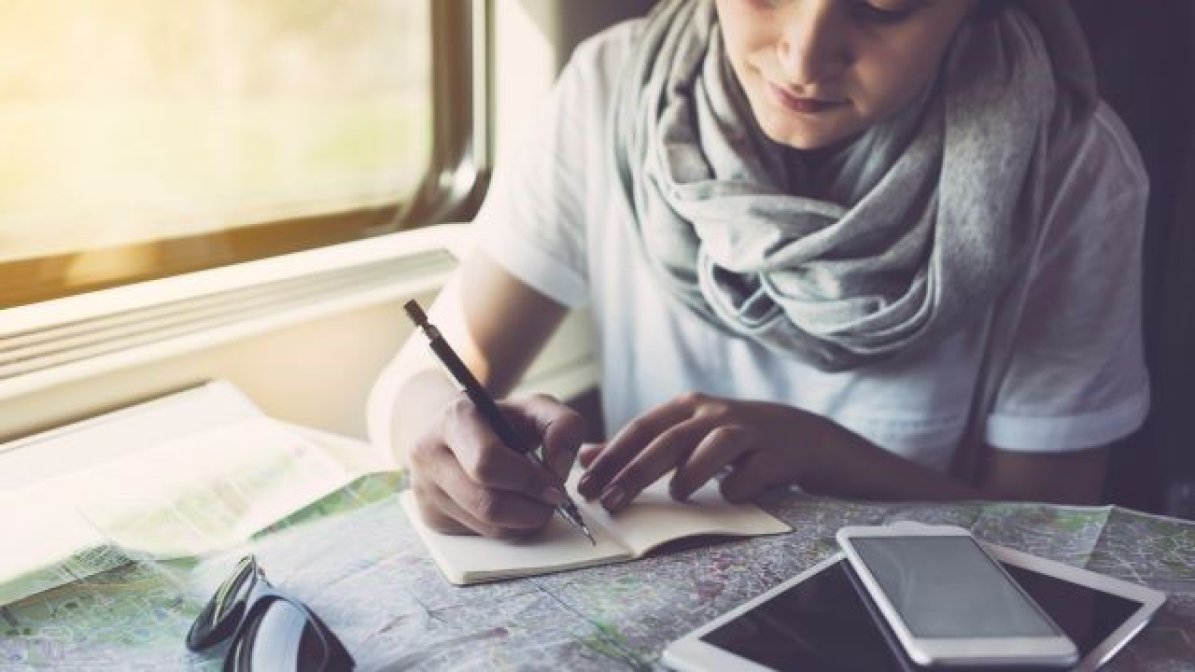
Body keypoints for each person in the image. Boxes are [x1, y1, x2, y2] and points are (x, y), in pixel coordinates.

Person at [368, 0, 1149, 539]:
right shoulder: (609, 91)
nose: (803, 56)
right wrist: (440, 437)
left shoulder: (1068, 170)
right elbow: (419, 378)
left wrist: (826, 457)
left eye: (882, 7)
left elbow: (1055, 540)